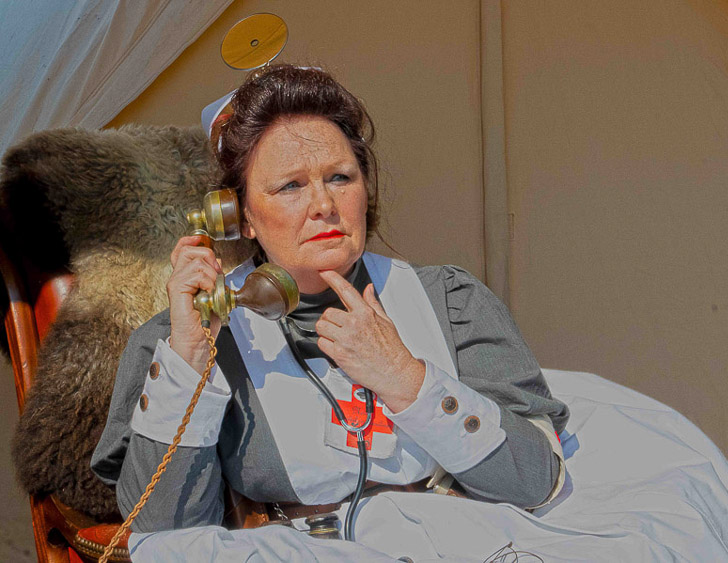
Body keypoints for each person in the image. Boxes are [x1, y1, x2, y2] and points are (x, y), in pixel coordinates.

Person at [91, 64, 568, 557]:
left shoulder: (451, 302)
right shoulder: (187, 339)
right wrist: (191, 362)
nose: (324, 204)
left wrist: (406, 378)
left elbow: (535, 482)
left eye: (340, 177)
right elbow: (167, 540)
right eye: (290, 186)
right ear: (240, 216)